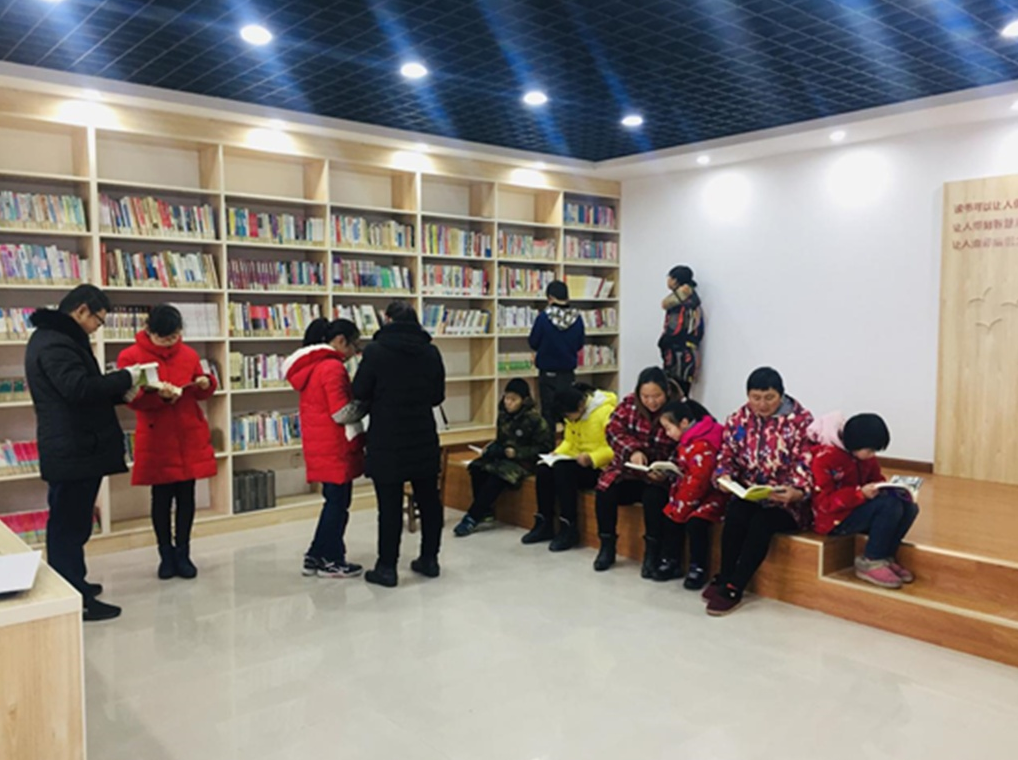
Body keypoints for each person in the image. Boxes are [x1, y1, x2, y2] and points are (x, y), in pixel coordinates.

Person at [25, 285, 143, 622]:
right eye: (98, 321)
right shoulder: (55, 343)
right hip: (72, 448)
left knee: (74, 522)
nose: (97, 328)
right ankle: (74, 599)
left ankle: (75, 584)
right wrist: (125, 377)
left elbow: (83, 390)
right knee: (68, 526)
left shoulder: (58, 339)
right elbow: (77, 389)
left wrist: (122, 392)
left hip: (77, 447)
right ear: (81, 311)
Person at [117, 304, 217, 581]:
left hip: (188, 431)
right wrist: (158, 397)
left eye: (174, 336)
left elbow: (200, 392)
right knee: (161, 499)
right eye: (163, 337)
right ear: (149, 331)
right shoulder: (131, 356)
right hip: (156, 434)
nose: (170, 342)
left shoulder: (189, 354)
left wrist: (205, 383)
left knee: (187, 496)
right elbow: (129, 398)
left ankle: (183, 553)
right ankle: (165, 554)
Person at [706, 367, 814, 616]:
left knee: (762, 523)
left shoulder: (801, 422)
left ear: (781, 395)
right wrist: (723, 475)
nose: (762, 404)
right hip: (751, 492)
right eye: (755, 398)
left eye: (769, 398)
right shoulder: (739, 419)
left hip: (787, 501)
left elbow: (806, 462)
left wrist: (797, 491)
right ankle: (725, 575)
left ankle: (735, 586)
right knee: (735, 514)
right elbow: (727, 454)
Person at [352, 300, 445, 588]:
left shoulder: (376, 351)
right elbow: (437, 396)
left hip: (387, 437)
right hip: (422, 435)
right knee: (429, 501)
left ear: (388, 319)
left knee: (389, 507)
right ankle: (429, 559)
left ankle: (387, 567)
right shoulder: (430, 351)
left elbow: (360, 391)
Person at [284, 317, 366, 579]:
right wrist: (367, 404)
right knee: (338, 505)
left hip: (322, 445)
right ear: (341, 341)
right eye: (353, 344)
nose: (354, 351)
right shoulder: (332, 367)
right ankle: (331, 560)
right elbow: (341, 413)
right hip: (336, 446)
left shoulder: (313, 366)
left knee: (333, 502)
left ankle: (315, 555)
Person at [810, 412, 919, 589]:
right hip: (835, 520)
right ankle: (871, 560)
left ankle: (886, 557)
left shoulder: (866, 458)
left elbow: (877, 479)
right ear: (854, 444)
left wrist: (889, 489)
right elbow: (824, 502)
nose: (872, 455)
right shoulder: (825, 458)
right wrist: (859, 494)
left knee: (909, 507)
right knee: (888, 506)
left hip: (857, 508)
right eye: (869, 450)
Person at [593, 367, 676, 574]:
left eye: (657, 396)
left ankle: (652, 553)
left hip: (658, 476)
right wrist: (632, 451)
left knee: (654, 498)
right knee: (605, 489)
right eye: (646, 396)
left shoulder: (677, 409)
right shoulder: (629, 404)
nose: (651, 401)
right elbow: (613, 430)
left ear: (666, 391)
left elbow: (684, 444)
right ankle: (607, 546)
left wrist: (665, 469)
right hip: (629, 470)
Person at [522, 383, 616, 551]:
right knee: (544, 469)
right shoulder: (573, 414)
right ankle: (544, 522)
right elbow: (569, 441)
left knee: (563, 470)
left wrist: (592, 458)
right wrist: (556, 453)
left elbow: (615, 448)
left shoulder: (606, 413)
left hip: (601, 467)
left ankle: (569, 526)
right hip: (577, 461)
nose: (568, 419)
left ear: (580, 406)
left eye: (568, 416)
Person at [453, 378, 552, 537]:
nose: (508, 403)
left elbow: (545, 448)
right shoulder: (503, 415)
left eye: (514, 399)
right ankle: (485, 511)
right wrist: (492, 449)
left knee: (497, 475)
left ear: (524, 400)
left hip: (524, 462)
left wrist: (517, 453)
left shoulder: (535, 420)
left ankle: (472, 517)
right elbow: (501, 439)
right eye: (506, 398)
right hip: (504, 456)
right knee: (477, 467)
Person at [657, 399, 727, 589]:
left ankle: (698, 567)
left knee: (696, 522)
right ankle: (672, 560)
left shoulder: (703, 444)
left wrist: (683, 505)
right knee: (669, 514)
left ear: (684, 423)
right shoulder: (688, 440)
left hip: (712, 496)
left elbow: (700, 481)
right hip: (690, 493)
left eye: (668, 428)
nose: (667, 433)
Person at [528, 280, 585, 429]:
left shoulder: (544, 317)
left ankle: (549, 443)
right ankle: (569, 441)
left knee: (548, 413)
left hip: (548, 373)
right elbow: (580, 344)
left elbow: (533, 342)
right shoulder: (577, 318)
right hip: (568, 373)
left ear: (551, 298)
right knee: (568, 412)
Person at [657, 265, 703, 398]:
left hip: (679, 354)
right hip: (686, 351)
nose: (668, 281)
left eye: (670, 278)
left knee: (676, 392)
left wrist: (663, 342)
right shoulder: (692, 300)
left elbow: (675, 329)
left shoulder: (682, 304)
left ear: (676, 280)